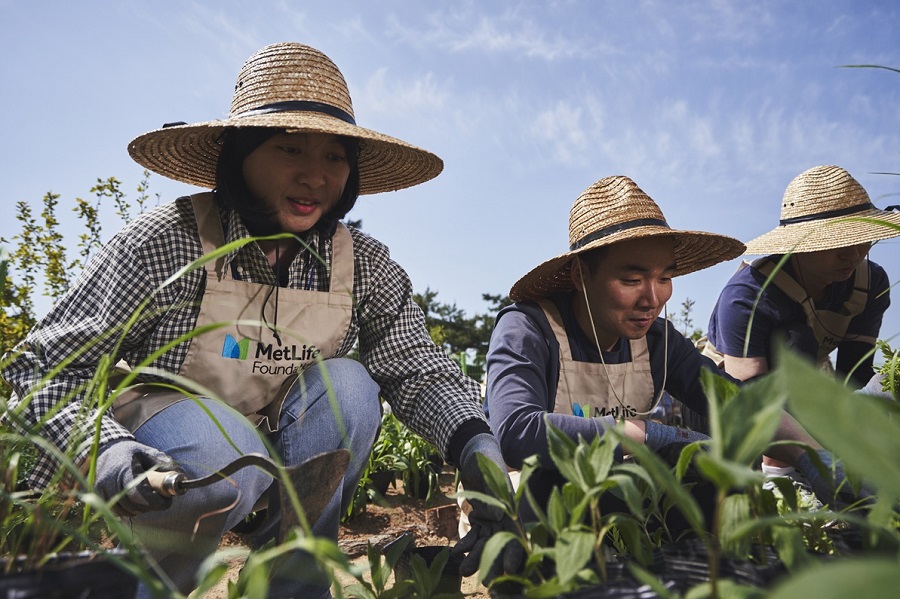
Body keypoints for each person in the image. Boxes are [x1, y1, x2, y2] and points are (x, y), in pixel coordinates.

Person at [1, 42, 519, 598]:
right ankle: (154, 585)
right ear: (240, 154)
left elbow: (419, 368)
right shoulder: (170, 241)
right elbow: (39, 369)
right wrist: (104, 448)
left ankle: (295, 580)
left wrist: (477, 452)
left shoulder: (361, 263)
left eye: (334, 157)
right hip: (173, 451)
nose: (315, 177)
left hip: (287, 441)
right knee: (219, 456)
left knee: (350, 386)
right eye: (289, 148)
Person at [484, 175, 861, 526]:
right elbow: (517, 432)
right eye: (631, 279)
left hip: (617, 503)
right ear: (581, 274)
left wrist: (814, 459)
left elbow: (736, 402)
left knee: (714, 473)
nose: (653, 298)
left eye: (665, 277)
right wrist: (645, 434)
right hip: (531, 510)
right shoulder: (530, 329)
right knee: (542, 485)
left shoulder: (659, 342)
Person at [704, 165, 900, 477]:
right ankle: (777, 474)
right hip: (726, 400)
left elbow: (854, 375)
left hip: (806, 389)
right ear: (798, 244)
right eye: (835, 243)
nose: (853, 254)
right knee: (795, 339)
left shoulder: (868, 283)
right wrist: (804, 456)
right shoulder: (749, 294)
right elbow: (750, 395)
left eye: (861, 239)